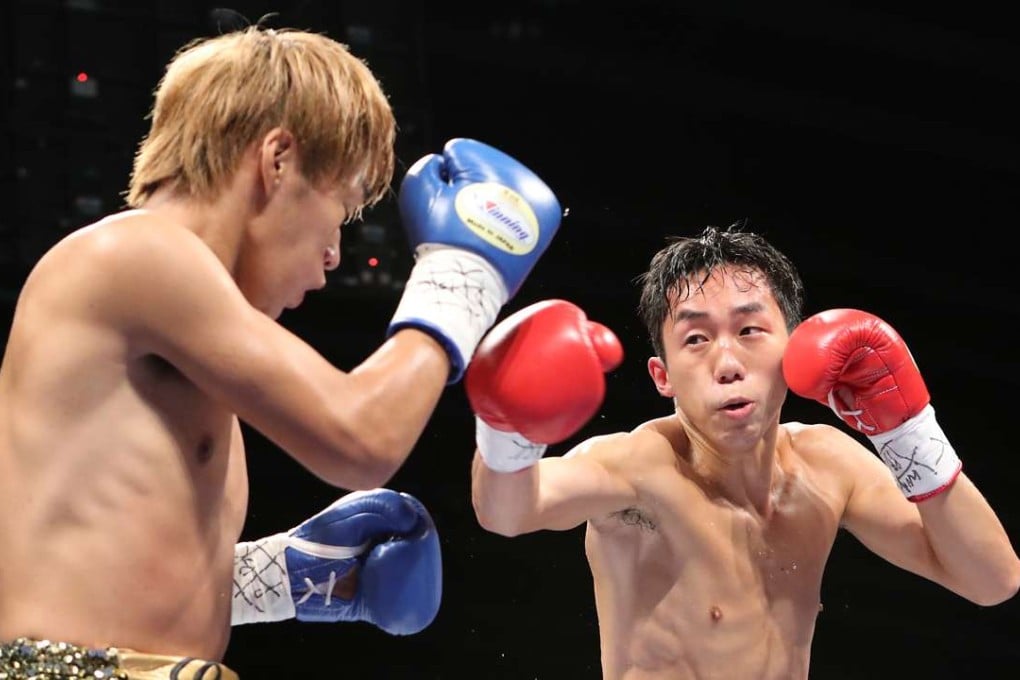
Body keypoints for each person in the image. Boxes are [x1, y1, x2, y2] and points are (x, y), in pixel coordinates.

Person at [0, 23, 562, 679]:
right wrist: (466, 274)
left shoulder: (177, 344)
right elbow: (361, 438)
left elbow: (92, 567)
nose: (331, 259)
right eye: (341, 209)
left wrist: (286, 576)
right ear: (277, 160)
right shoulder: (137, 253)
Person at [466, 223, 1020, 679]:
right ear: (662, 376)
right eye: (696, 339)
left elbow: (992, 580)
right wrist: (506, 425)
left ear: (796, 347)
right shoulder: (639, 467)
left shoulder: (829, 465)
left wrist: (907, 432)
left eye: (751, 330)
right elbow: (507, 511)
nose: (727, 362)